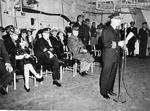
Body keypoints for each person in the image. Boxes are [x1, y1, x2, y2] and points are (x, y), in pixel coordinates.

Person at [3, 25, 43, 92]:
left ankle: (26, 85)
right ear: (10, 35)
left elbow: (22, 51)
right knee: (26, 62)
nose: (17, 37)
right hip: (13, 62)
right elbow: (7, 55)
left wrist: (25, 51)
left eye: (17, 35)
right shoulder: (7, 43)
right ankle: (36, 75)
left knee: (26, 63)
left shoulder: (17, 41)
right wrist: (18, 57)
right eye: (15, 35)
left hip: (21, 62)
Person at [99, 12, 124, 99]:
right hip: (108, 57)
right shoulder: (106, 30)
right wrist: (118, 44)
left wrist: (123, 46)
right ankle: (103, 91)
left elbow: (118, 43)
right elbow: (105, 43)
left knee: (112, 74)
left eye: (120, 19)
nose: (120, 21)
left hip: (115, 56)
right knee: (106, 74)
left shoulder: (117, 31)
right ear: (112, 20)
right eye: (118, 19)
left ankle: (109, 89)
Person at [0, 26, 13, 95]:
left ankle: (2, 86)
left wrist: (7, 64)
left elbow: (5, 53)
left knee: (7, 71)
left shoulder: (1, 42)